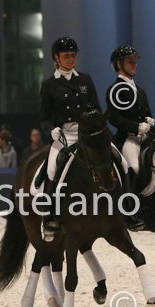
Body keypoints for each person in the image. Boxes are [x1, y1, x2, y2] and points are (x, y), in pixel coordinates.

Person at [40, 36, 101, 237]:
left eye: (73, 55)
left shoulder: (85, 80)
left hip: (86, 133)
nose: (71, 59)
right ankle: (49, 217)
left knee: (117, 159)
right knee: (52, 168)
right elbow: (44, 117)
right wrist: (51, 130)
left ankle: (126, 208)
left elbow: (96, 108)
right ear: (56, 58)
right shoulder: (49, 84)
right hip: (64, 134)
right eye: (66, 55)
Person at [105, 44, 155, 230]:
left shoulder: (140, 91)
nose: (134, 64)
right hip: (127, 138)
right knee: (133, 166)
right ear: (119, 64)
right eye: (130, 61)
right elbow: (113, 118)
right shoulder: (114, 89)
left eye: (135, 61)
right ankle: (130, 211)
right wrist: (136, 127)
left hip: (144, 136)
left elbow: (147, 113)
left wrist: (149, 121)